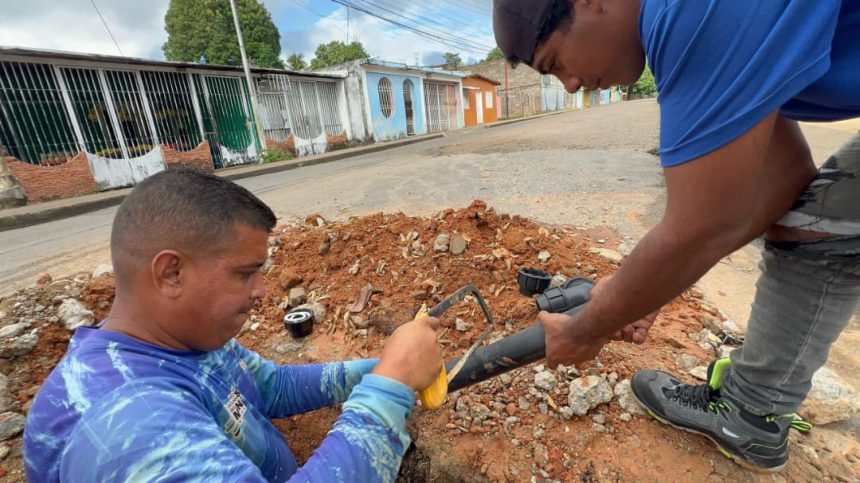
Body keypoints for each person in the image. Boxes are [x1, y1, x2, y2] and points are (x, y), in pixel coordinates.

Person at [493, 0, 859, 473]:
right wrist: (645, 293)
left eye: (556, 63)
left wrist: (586, 330)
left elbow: (700, 228)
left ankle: (751, 412)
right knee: (815, 217)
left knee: (824, 222)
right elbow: (782, 182)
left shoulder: (691, 16)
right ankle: (757, 404)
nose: (571, 84)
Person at [23, 168, 444, 482]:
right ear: (171, 273)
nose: (262, 290)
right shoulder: (128, 425)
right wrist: (387, 389)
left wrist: (385, 368)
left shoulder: (187, 341)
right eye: (245, 273)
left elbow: (270, 387)